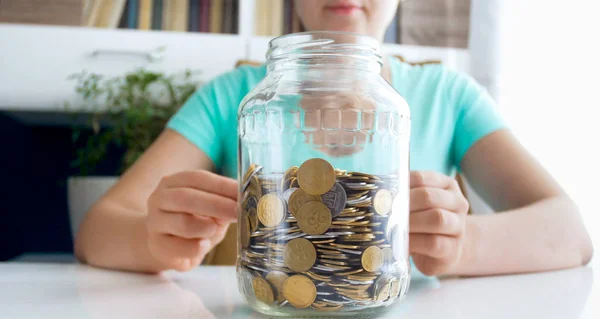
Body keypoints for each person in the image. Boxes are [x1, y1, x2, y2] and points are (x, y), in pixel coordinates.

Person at [74, 0, 593, 275]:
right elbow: (97, 231)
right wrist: (153, 239)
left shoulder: (445, 96)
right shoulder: (231, 97)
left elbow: (570, 233)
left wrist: (463, 246)